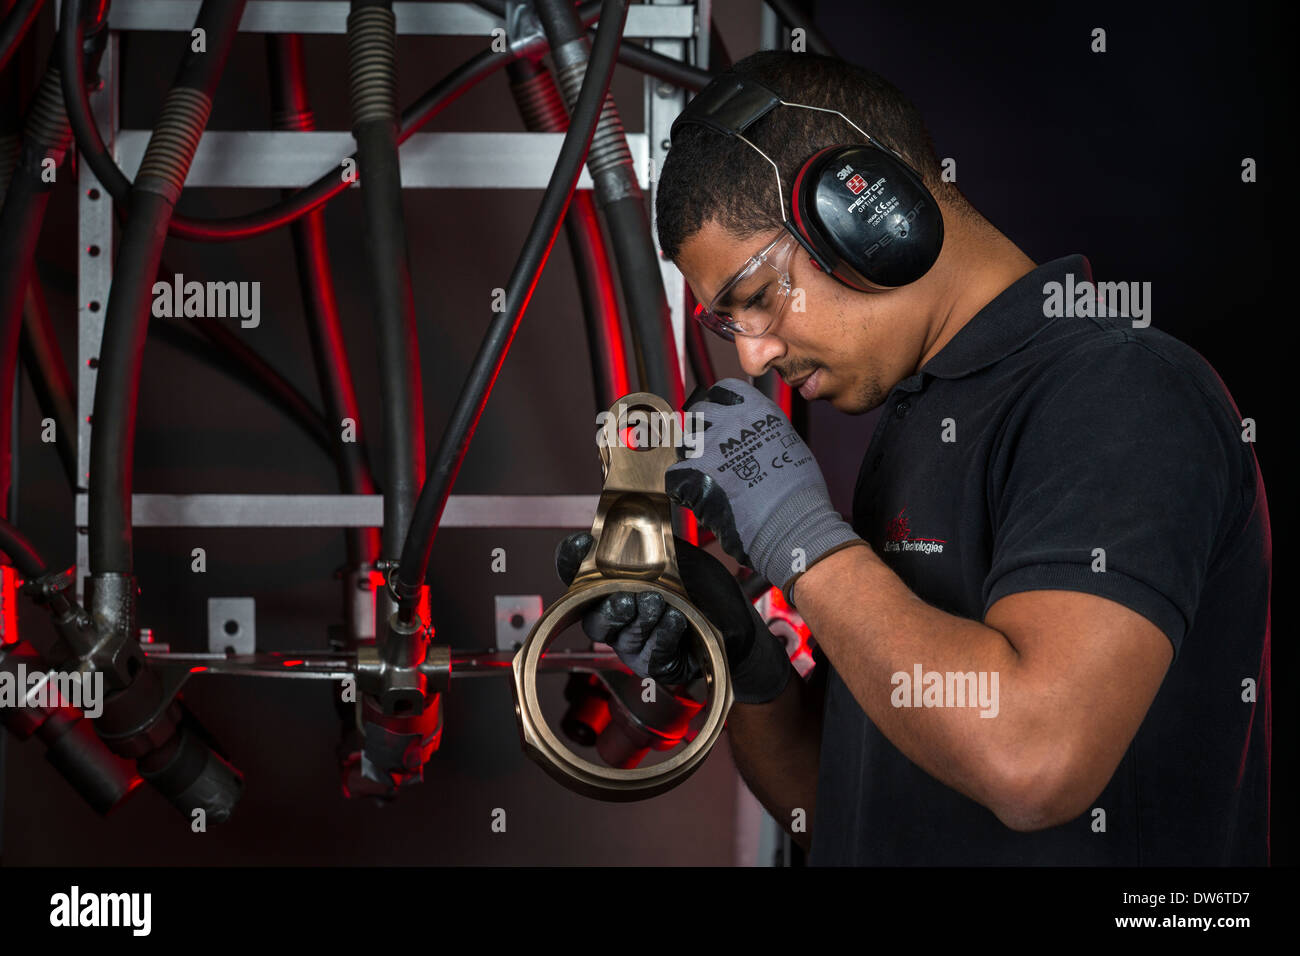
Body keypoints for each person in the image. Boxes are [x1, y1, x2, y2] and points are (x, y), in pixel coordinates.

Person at [555, 50, 1270, 865]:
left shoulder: (1123, 394)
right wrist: (744, 665)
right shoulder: (917, 420)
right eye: (729, 326)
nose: (751, 359)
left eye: (753, 301)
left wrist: (797, 533)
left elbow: (1031, 760)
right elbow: (842, 814)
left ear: (867, 212)